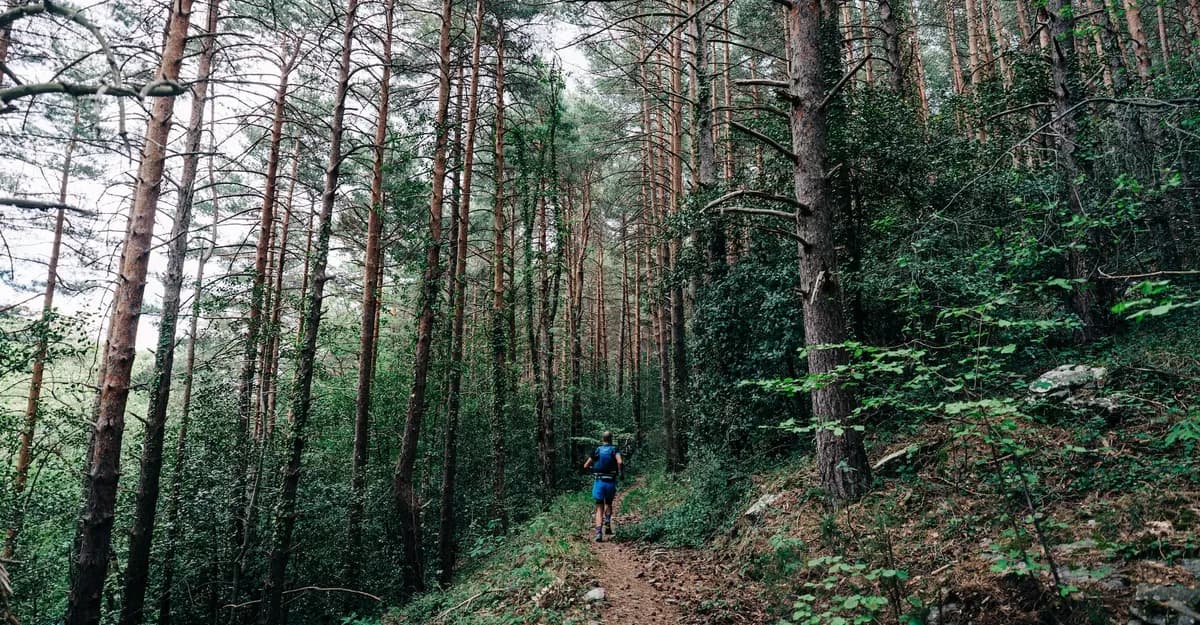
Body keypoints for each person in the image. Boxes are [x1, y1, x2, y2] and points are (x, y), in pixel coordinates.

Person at [582, 431, 623, 542]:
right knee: (609, 503)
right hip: (610, 481)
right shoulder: (615, 449)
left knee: (599, 507)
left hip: (599, 481)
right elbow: (619, 461)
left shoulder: (597, 450)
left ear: (602, 439)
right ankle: (608, 524)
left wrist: (593, 470)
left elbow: (586, 465)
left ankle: (599, 533)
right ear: (611, 439)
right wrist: (620, 473)